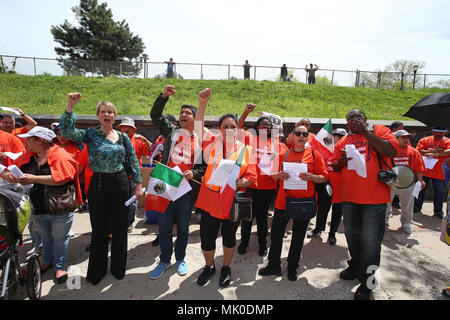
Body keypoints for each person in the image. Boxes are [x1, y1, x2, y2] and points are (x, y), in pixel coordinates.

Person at [60, 92, 143, 285]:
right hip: (98, 184)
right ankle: (96, 271)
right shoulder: (91, 135)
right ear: (98, 115)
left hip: (121, 184)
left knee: (120, 227)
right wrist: (70, 106)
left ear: (115, 116)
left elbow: (132, 160)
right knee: (98, 228)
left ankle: (118, 269)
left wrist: (138, 183)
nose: (107, 115)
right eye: (103, 112)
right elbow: (66, 131)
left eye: (110, 112)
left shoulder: (123, 137)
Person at [0, 126, 83, 284]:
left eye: (29, 139)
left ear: (41, 141)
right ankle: (47, 260)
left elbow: (64, 177)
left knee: (60, 238)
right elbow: (8, 171)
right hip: (37, 207)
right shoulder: (28, 156)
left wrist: (34, 178)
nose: (26, 142)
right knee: (45, 236)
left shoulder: (61, 155)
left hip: (60, 207)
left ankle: (60, 266)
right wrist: (9, 176)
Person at [331, 109, 397, 300]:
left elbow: (391, 151)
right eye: (350, 119)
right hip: (350, 198)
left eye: (357, 118)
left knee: (371, 242)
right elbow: (335, 166)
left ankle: (368, 282)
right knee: (352, 236)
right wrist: (343, 160)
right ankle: (356, 266)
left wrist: (366, 133)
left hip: (374, 200)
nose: (353, 121)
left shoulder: (380, 131)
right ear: (347, 124)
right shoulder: (344, 141)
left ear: (365, 119)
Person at [194, 99, 257, 287]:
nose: (229, 129)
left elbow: (251, 177)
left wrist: (239, 181)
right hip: (209, 200)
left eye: (233, 126)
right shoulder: (211, 143)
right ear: (219, 129)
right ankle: (210, 266)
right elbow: (198, 126)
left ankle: (226, 267)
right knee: (207, 239)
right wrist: (203, 102)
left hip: (231, 202)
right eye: (225, 126)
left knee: (229, 239)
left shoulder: (246, 150)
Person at [149, 85, 208, 280]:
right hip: (166, 185)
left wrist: (194, 172)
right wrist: (163, 95)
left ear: (194, 118)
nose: (183, 115)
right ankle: (165, 259)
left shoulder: (199, 140)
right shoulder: (172, 132)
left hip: (185, 190)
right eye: (181, 112)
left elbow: (203, 167)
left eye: (188, 113)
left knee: (183, 227)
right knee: (164, 227)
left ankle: (180, 258)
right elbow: (156, 115)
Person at [258, 125, 328, 281]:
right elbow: (271, 175)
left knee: (298, 236)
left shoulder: (314, 154)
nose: (301, 136)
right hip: (283, 202)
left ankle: (292, 266)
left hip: (304, 201)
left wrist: (312, 177)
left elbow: (324, 177)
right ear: (292, 136)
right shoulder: (284, 152)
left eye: (305, 134)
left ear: (308, 137)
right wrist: (278, 175)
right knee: (276, 235)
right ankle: (273, 265)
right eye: (298, 133)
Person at [237, 103, 288, 256]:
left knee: (262, 218)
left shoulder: (279, 146)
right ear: (257, 127)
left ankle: (262, 244)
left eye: (268, 124)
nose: (265, 126)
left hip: (267, 188)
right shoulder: (249, 138)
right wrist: (245, 112)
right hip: (249, 185)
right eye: (262, 124)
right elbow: (238, 128)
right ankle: (244, 243)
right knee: (247, 217)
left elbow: (286, 164)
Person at [307, 128, 348, 245]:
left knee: (337, 211)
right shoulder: (322, 150)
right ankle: (318, 229)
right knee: (322, 210)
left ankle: (332, 234)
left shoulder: (346, 152)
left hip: (340, 187)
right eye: (334, 136)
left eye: (339, 137)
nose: (335, 139)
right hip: (325, 185)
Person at [385, 130, 426, 234]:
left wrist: (420, 181)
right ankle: (384, 221)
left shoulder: (414, 152)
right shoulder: (389, 150)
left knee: (407, 204)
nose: (406, 139)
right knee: (385, 202)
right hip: (390, 182)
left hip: (408, 183)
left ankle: (406, 222)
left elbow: (419, 168)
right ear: (396, 139)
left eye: (407, 137)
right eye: (403, 137)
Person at [117, 117, 152, 231]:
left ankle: (129, 222)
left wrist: (144, 139)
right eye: (123, 127)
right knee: (118, 200)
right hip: (118, 175)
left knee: (132, 201)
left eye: (129, 128)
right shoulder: (114, 139)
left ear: (134, 130)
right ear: (120, 128)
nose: (126, 129)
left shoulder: (138, 141)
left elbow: (152, 152)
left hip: (133, 177)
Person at [414, 126, 450, 219]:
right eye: (436, 132)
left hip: (439, 172)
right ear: (432, 131)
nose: (438, 135)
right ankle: (416, 207)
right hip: (425, 170)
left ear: (445, 132)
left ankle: (438, 211)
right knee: (420, 189)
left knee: (439, 191)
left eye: (441, 133)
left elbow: (448, 152)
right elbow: (418, 151)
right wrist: (434, 151)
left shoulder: (447, 141)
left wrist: (436, 154)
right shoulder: (424, 140)